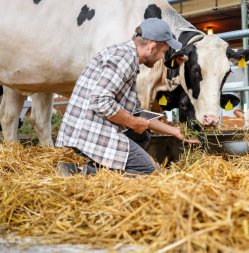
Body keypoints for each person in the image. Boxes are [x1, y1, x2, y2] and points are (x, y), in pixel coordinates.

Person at [56, 18, 199, 175]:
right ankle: (77, 172)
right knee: (152, 174)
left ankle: (98, 169)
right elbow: (100, 101)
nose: (162, 58)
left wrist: (174, 132)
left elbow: (136, 113)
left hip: (85, 129)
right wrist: (133, 122)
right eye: (164, 52)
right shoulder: (125, 58)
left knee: (142, 136)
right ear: (152, 47)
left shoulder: (124, 54)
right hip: (89, 132)